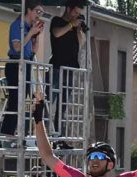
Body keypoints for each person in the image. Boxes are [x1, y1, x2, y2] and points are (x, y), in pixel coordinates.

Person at [1, 0, 45, 137]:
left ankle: (16, 132)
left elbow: (34, 51)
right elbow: (17, 47)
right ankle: (7, 133)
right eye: (37, 11)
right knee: (15, 100)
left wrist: (37, 35)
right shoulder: (17, 25)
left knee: (23, 100)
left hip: (27, 64)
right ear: (29, 10)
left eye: (41, 12)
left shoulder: (29, 27)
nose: (39, 14)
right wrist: (30, 33)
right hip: (15, 65)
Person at [48, 0, 87, 133]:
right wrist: (70, 24)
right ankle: (42, 132)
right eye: (75, 12)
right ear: (68, 9)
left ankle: (59, 135)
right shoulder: (57, 21)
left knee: (63, 106)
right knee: (48, 102)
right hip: (56, 68)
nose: (76, 16)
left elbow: (81, 43)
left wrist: (79, 30)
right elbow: (56, 33)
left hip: (70, 70)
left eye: (79, 14)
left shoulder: (75, 27)